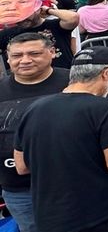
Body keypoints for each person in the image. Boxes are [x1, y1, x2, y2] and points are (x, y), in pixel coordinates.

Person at [14, 47, 108, 232]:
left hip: (48, 213)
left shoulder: (34, 108)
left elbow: (21, 166)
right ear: (106, 73)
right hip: (95, 214)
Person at [0, 33, 70, 232]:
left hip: (72, 182)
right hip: (18, 188)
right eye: (17, 55)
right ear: (8, 57)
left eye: (34, 53)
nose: (25, 60)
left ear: (51, 53)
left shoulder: (73, 82)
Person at [0, 0, 80, 71]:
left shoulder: (56, 26)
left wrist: (48, 10)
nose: (23, 19)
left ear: (38, 9)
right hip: (26, 80)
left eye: (27, 14)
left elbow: (73, 18)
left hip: (62, 76)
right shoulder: (8, 33)